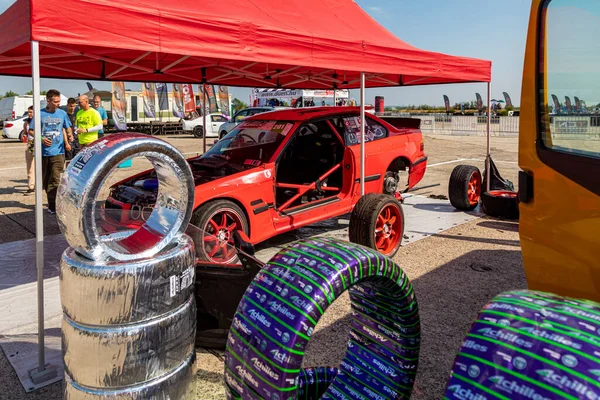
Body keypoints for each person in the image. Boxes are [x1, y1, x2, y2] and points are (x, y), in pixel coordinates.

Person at [29, 90, 72, 214]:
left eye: (59, 101)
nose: (58, 103)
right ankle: (51, 201)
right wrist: (41, 138)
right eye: (55, 101)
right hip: (43, 153)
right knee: (46, 180)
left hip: (58, 152)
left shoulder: (62, 113)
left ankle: (54, 205)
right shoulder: (39, 114)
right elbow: (31, 131)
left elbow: (67, 126)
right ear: (48, 101)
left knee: (55, 178)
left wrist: (69, 134)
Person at [23, 106, 34, 194]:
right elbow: (26, 133)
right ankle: (31, 185)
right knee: (30, 165)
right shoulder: (26, 122)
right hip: (30, 143)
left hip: (39, 143)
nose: (29, 114)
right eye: (28, 112)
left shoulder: (38, 121)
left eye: (31, 112)